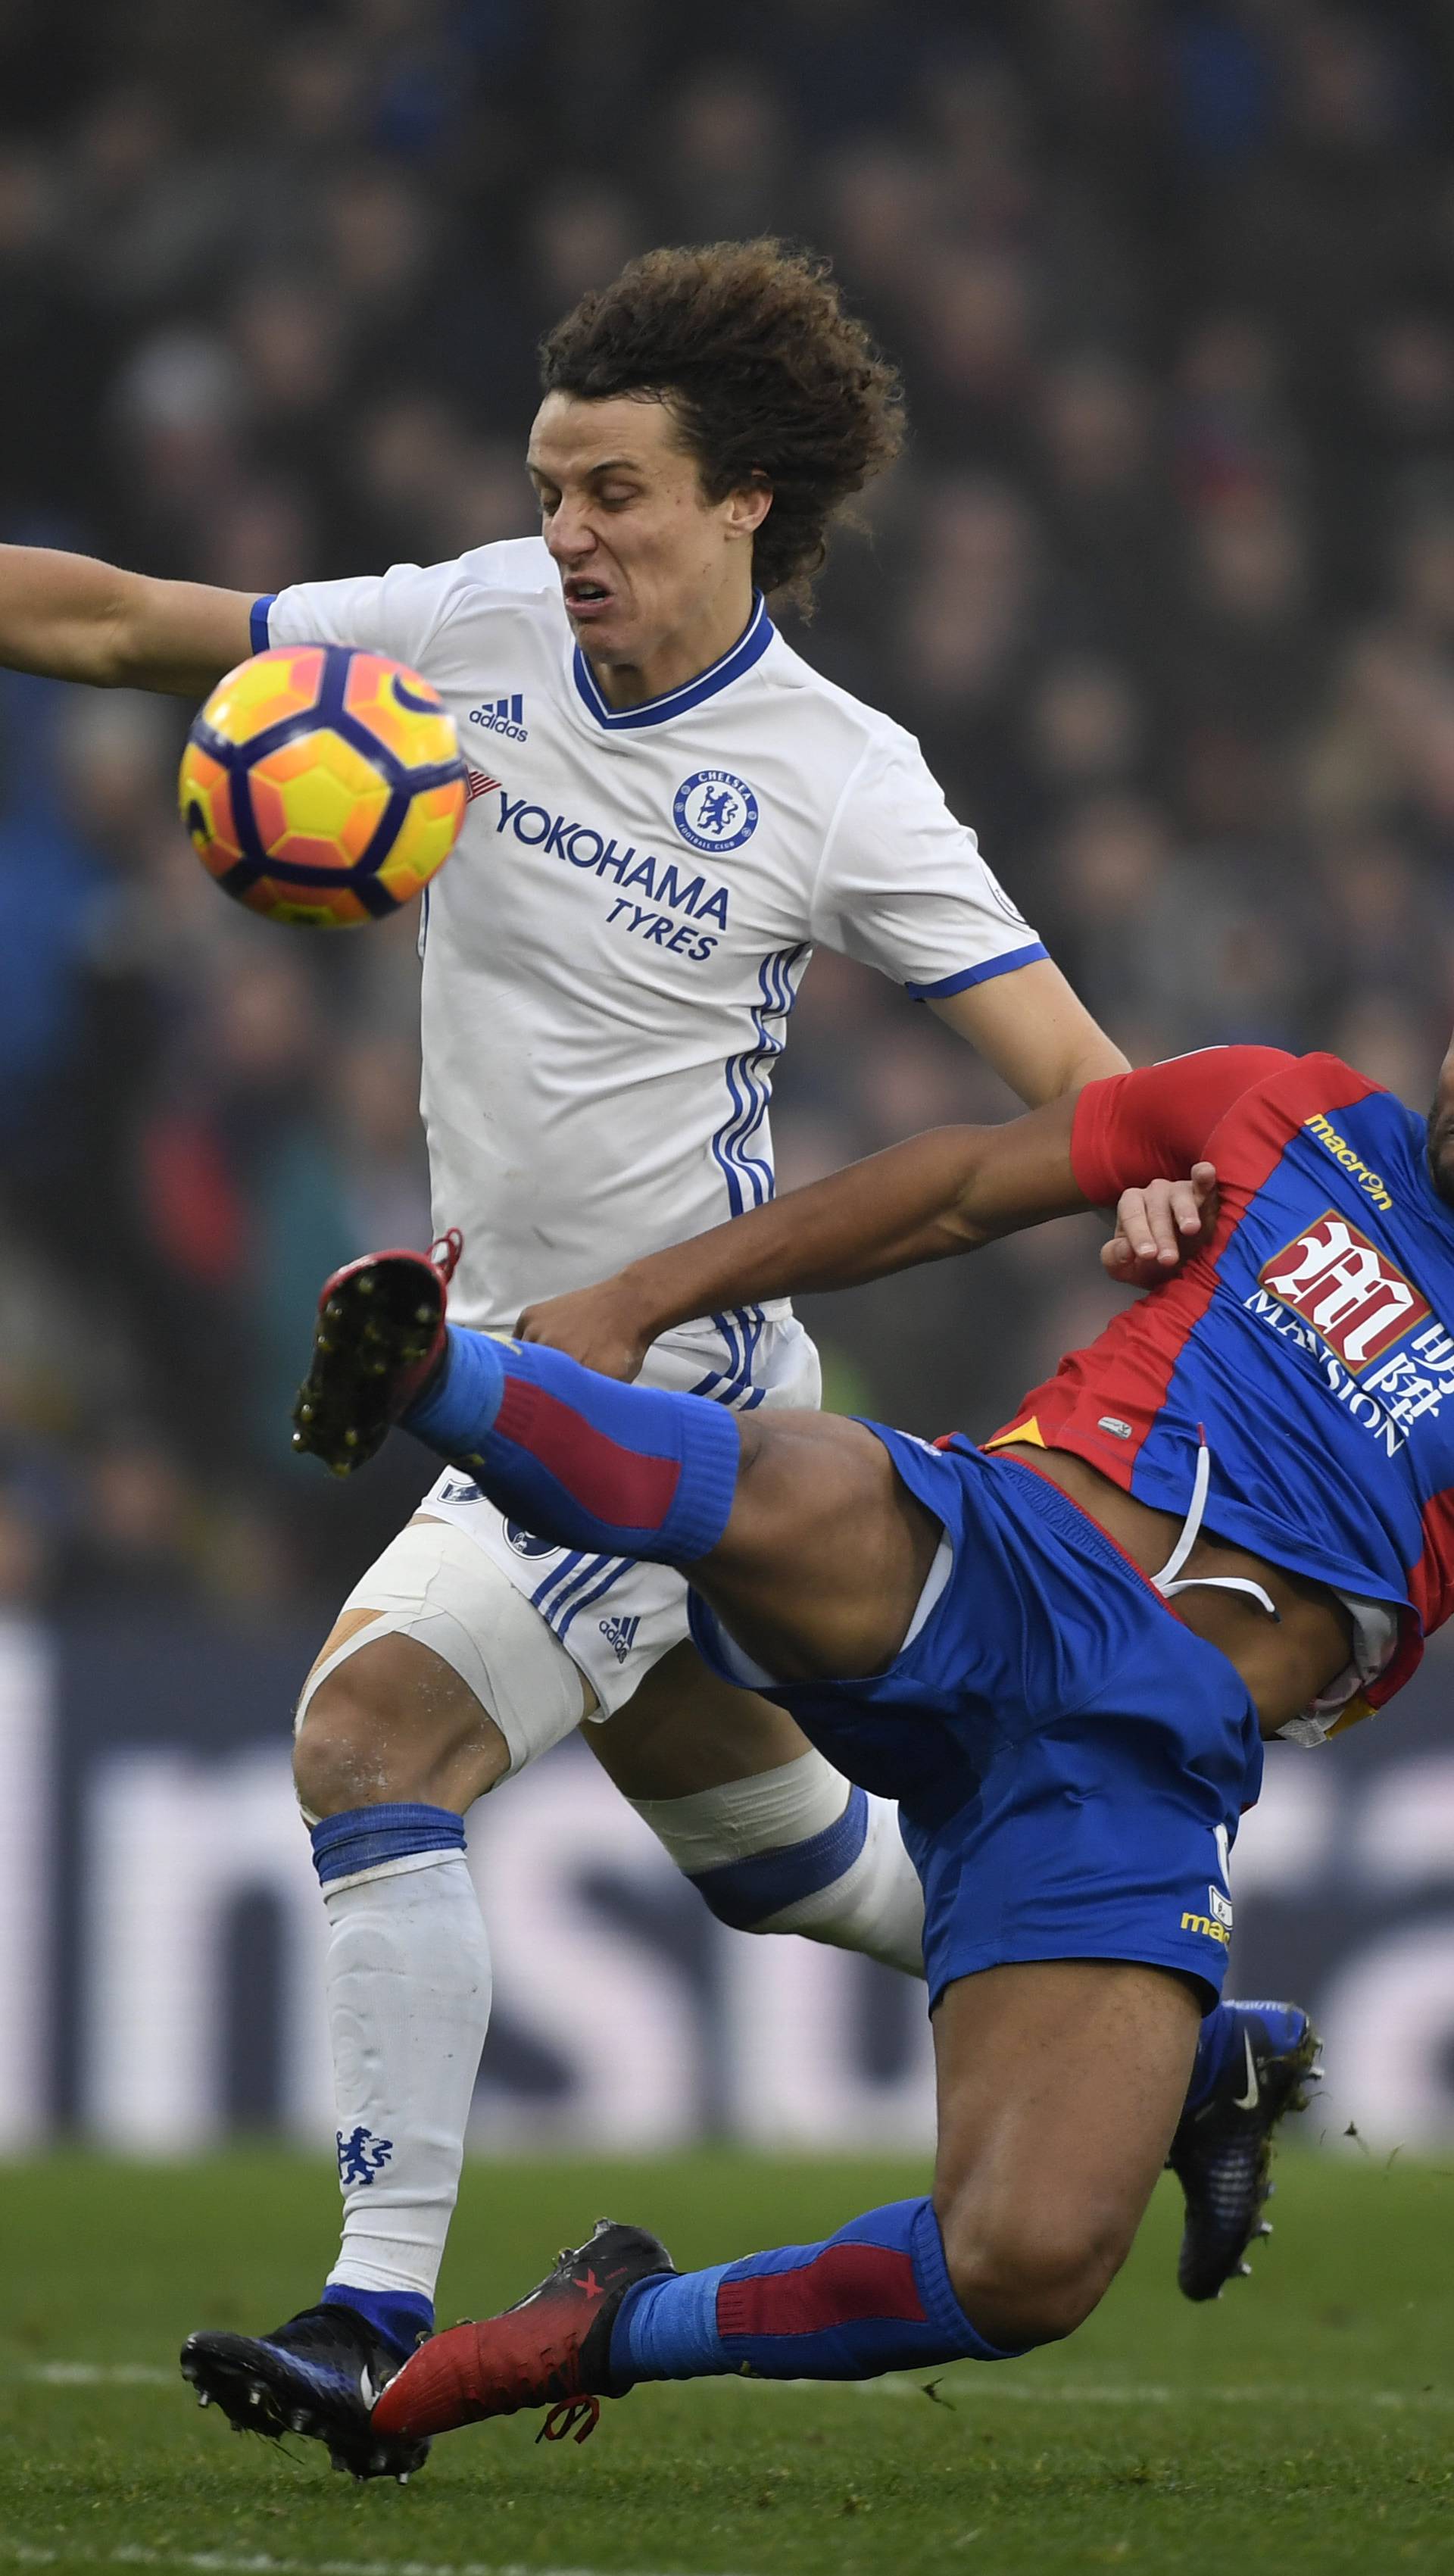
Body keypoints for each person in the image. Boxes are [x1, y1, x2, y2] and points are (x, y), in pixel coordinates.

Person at [0, 237, 1297, 2478]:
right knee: (768, 1865)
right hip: (491, 1358)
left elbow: (1072, 1065)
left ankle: (364, 2316)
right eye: (550, 485)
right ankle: (1199, 2056)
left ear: (746, 504)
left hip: (657, 1403)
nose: (568, 533)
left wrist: (1154, 1173)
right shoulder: (470, 627)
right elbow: (127, 622)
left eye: (614, 492)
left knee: (366, 1732)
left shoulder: (841, 776)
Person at [280, 1029, 1430, 2447]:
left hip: (1143, 1763)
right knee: (774, 1495)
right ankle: (429, 1375)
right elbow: (954, 1184)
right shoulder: (1292, 1108)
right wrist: (646, 1294)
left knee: (1028, 2263)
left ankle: (606, 2320)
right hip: (1018, 1554)